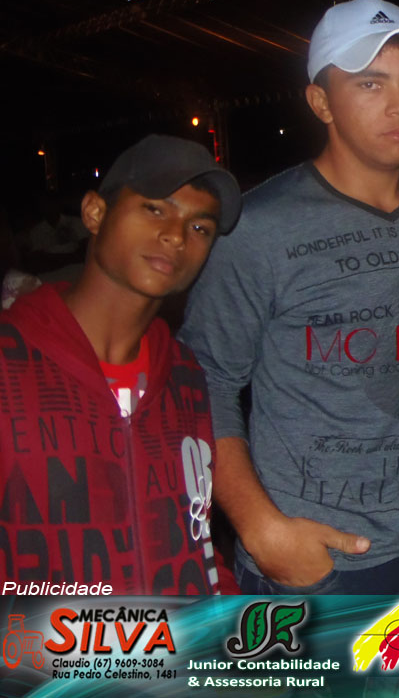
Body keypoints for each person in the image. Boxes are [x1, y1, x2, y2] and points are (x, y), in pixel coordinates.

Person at [180, 0, 399, 595]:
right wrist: (259, 528)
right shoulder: (259, 225)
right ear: (320, 102)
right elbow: (204, 380)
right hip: (316, 564)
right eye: (370, 84)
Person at [0, 134, 242, 594]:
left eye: (200, 228)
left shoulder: (186, 377)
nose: (176, 235)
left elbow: (198, 539)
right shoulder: (10, 360)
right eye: (155, 208)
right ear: (95, 213)